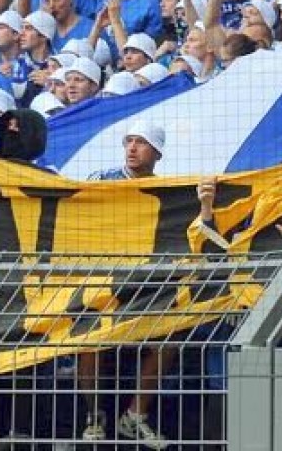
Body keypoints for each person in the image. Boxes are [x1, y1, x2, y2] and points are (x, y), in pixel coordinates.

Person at [80, 121, 171, 448]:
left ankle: (134, 416)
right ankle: (94, 416)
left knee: (168, 339)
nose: (132, 148)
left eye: (141, 142)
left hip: (144, 286)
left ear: (157, 153)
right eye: (129, 141)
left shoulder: (169, 192)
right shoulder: (101, 182)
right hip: (103, 283)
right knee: (90, 341)